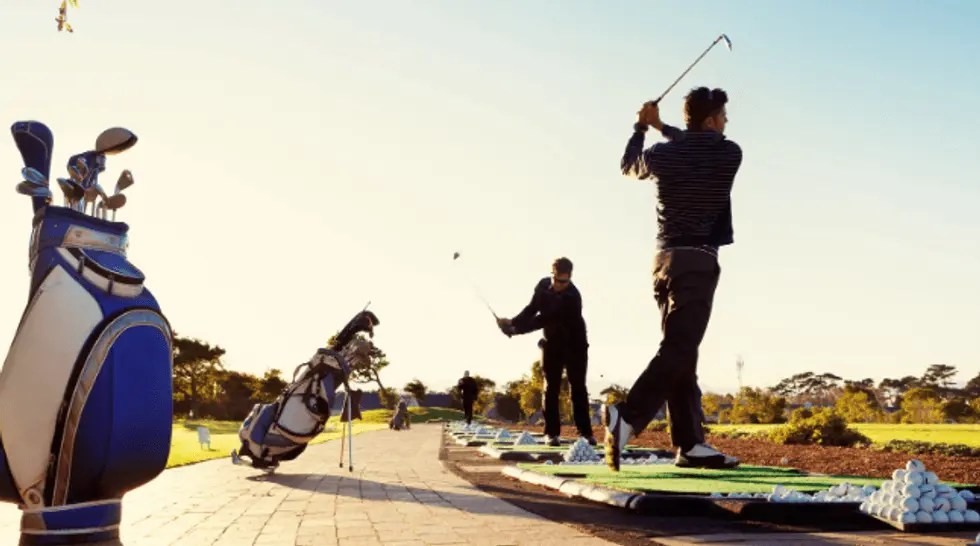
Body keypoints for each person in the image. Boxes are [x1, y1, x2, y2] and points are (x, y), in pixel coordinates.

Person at [602, 87, 743, 471]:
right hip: (697, 261)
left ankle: (691, 444)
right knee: (681, 346)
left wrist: (643, 126)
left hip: (663, 262)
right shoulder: (729, 153)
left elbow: (629, 164)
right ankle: (628, 417)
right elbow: (697, 143)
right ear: (712, 120)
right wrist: (661, 125)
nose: (727, 122)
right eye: (724, 117)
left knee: (682, 348)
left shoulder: (663, 154)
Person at [497, 257, 594, 447]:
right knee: (551, 388)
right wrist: (512, 322)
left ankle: (585, 434)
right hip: (553, 343)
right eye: (556, 280)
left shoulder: (573, 297)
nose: (559, 285)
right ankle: (552, 433)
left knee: (578, 389)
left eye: (564, 281)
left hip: (575, 345)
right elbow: (532, 309)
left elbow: (544, 319)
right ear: (552, 275)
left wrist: (515, 330)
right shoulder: (542, 286)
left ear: (570, 278)